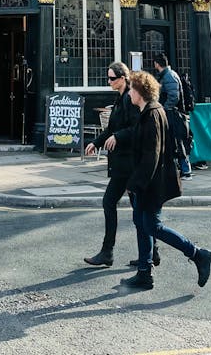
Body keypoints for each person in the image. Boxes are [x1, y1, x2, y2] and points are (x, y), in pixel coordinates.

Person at [124, 70, 211, 291]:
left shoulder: (153, 114)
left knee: (152, 225)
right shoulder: (149, 111)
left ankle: (197, 254)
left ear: (140, 92)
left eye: (132, 90)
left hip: (152, 183)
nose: (129, 94)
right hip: (148, 182)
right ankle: (144, 272)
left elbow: (151, 155)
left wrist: (136, 185)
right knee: (142, 223)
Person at [83, 62, 139, 268]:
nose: (109, 82)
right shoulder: (119, 99)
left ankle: (109, 252)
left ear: (123, 78)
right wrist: (95, 143)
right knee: (136, 208)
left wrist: (118, 136)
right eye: (108, 78)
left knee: (117, 204)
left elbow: (136, 128)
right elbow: (111, 129)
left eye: (112, 78)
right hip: (121, 162)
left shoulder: (130, 99)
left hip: (128, 163)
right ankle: (150, 253)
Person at [153, 53, 193, 179]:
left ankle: (186, 171)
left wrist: (163, 109)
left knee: (177, 142)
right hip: (172, 113)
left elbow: (173, 96)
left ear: (156, 64)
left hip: (172, 114)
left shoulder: (169, 76)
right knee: (173, 143)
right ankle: (178, 170)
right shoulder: (168, 75)